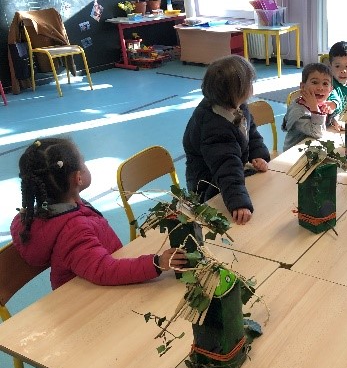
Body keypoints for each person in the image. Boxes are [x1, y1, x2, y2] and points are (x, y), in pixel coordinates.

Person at [10, 138, 187, 290]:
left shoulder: (58, 210)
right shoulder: (74, 230)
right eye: (83, 162)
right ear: (78, 178)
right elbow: (104, 270)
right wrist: (157, 263)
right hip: (89, 300)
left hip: (98, 283)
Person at [183, 55, 271, 225]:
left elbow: (251, 132)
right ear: (236, 92)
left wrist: (258, 154)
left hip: (232, 176)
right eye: (249, 83)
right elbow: (226, 165)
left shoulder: (237, 105)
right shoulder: (214, 126)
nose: (252, 87)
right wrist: (238, 202)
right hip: (209, 187)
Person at [282, 62, 335, 151]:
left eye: (325, 83)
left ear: (330, 90)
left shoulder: (320, 103)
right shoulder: (298, 111)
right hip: (295, 153)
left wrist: (334, 120)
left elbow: (325, 122)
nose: (320, 88)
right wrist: (315, 108)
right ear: (303, 87)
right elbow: (318, 133)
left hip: (313, 148)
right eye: (314, 82)